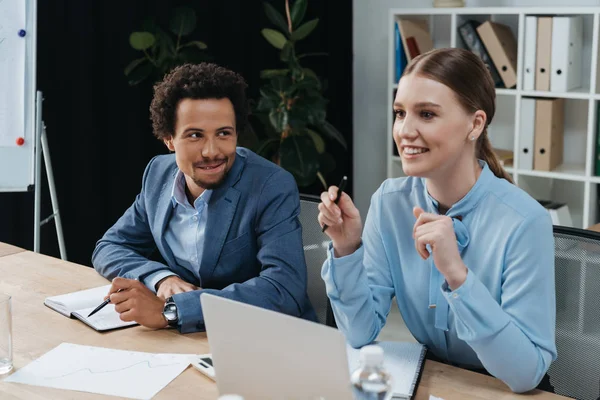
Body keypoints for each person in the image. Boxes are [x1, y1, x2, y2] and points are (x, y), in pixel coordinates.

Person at [318, 48, 556, 393]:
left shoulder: (525, 221)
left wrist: (458, 277)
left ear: (475, 124)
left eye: (426, 114)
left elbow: (525, 374)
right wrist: (347, 247)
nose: (405, 131)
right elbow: (358, 333)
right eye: (400, 113)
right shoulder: (389, 203)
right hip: (431, 382)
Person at [92, 62, 316, 333]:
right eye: (195, 135)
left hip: (266, 338)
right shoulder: (158, 174)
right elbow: (109, 246)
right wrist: (162, 278)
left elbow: (284, 289)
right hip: (194, 338)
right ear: (169, 139)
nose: (212, 151)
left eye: (223, 133)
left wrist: (173, 311)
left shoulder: (270, 185)